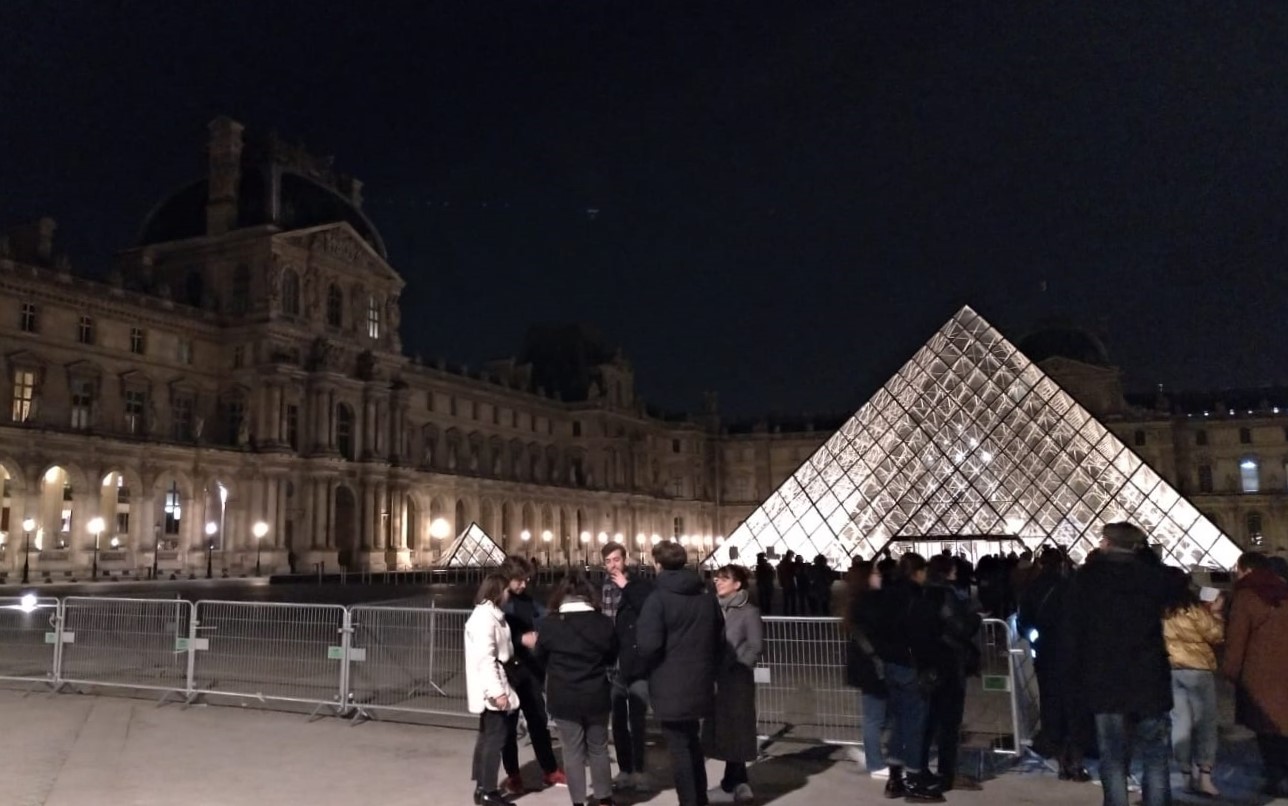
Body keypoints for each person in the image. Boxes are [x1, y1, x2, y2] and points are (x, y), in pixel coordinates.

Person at [1065, 523, 1172, 806]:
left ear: (1107, 543)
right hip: (1149, 678)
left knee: (1111, 756)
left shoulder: (1086, 578)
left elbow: (1074, 630)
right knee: (1155, 756)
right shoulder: (1153, 576)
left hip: (1105, 678)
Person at [636, 540, 723, 806]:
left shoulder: (657, 599)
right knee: (692, 743)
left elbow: (648, 646)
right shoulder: (706, 598)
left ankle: (689, 801)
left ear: (657, 564)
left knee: (679, 750)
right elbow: (719, 639)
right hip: (700, 682)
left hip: (669, 684)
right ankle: (699, 799)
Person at [534, 573, 620, 806]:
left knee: (572, 751)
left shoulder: (550, 624)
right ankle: (604, 798)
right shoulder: (603, 623)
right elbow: (611, 656)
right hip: (596, 694)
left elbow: (539, 658)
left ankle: (578, 801)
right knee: (598, 748)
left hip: (563, 695)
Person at [873, 552, 946, 802]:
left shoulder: (886, 597)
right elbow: (926, 636)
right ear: (917, 572)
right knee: (915, 725)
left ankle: (895, 778)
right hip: (912, 667)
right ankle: (914, 779)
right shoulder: (918, 599)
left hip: (891, 666)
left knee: (899, 723)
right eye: (923, 571)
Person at [1016, 547, 1089, 781]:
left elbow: (1023, 623)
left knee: (1051, 704)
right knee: (1074, 706)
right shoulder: (1073, 587)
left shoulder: (1032, 589)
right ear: (1061, 564)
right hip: (1074, 654)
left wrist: (1034, 638)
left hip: (1046, 652)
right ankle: (1076, 760)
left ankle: (1060, 759)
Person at [1221, 551, 1288, 797]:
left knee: (1267, 730)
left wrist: (1230, 671)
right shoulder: (1283, 590)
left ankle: (1276, 779)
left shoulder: (1247, 596)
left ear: (1246, 570)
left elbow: (1236, 640)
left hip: (1260, 675)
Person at [498, 555, 566, 794]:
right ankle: (513, 775)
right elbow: (493, 637)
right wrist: (520, 639)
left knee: (538, 720)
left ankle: (550, 769)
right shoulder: (497, 604)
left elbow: (544, 617)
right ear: (508, 578)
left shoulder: (527, 601)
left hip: (529, 669)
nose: (524, 584)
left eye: (526, 580)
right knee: (508, 727)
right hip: (507, 671)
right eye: (520, 580)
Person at [920, 554, 982, 792]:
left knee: (929, 722)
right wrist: (975, 618)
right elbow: (961, 627)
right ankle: (946, 774)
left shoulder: (922, 593)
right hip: (949, 664)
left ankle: (920, 770)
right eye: (953, 568)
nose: (956, 571)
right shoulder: (946, 595)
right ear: (945, 571)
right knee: (949, 723)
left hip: (928, 665)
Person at [1161, 566, 1224, 797]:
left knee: (1180, 723)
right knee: (1205, 723)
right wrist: (1216, 613)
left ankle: (1185, 774)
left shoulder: (1162, 611)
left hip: (1171, 669)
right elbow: (1215, 635)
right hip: (1198, 669)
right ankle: (1205, 776)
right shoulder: (1194, 610)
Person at [703, 564, 763, 803]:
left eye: (724, 578)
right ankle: (739, 783)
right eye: (717, 578)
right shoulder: (714, 609)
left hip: (737, 681)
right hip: (717, 679)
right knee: (728, 731)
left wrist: (739, 667)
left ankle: (732, 784)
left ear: (737, 584)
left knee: (736, 729)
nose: (717, 581)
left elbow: (755, 646)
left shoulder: (748, 612)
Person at [600, 540, 655, 792]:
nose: (613, 565)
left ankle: (640, 771)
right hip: (613, 663)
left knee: (638, 720)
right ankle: (624, 769)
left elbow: (648, 611)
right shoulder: (602, 588)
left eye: (616, 559)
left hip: (636, 661)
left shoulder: (639, 585)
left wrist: (627, 587)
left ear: (625, 560)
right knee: (619, 722)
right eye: (608, 561)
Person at [465, 573, 522, 806]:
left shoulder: (487, 615)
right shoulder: (485, 619)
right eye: (506, 590)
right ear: (498, 592)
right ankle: (489, 790)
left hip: (491, 683)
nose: (509, 594)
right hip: (493, 685)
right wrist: (497, 692)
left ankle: (482, 787)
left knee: (487, 737)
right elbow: (486, 659)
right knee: (494, 739)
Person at [844, 559, 890, 780]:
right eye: (875, 573)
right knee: (875, 717)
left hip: (865, 666)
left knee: (879, 715)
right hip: (873, 667)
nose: (879, 576)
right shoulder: (870, 603)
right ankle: (875, 763)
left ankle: (872, 755)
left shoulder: (857, 602)